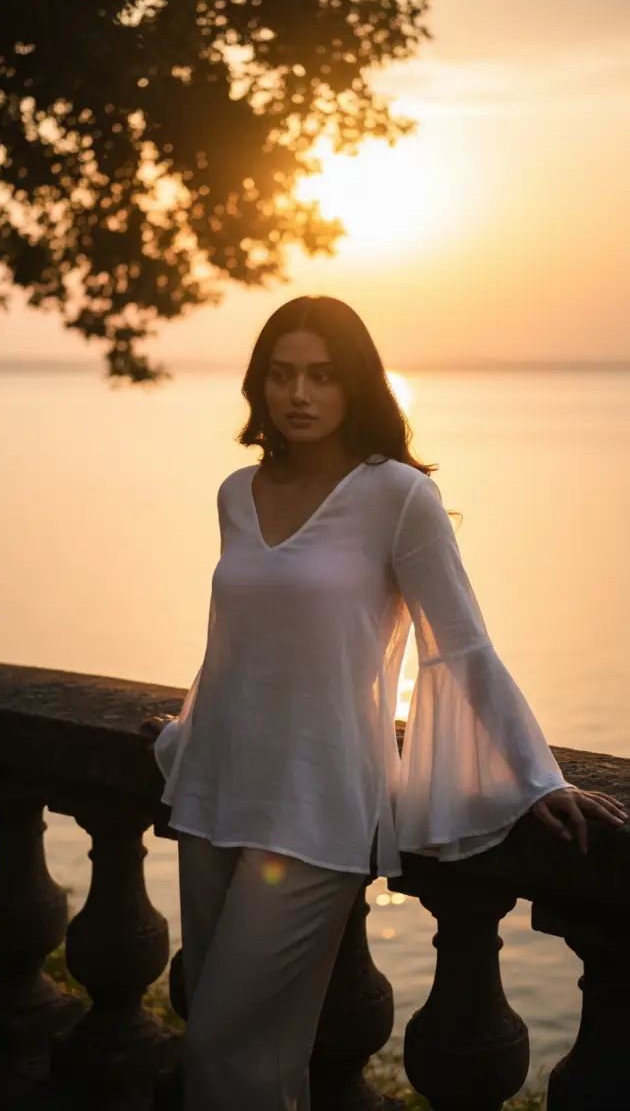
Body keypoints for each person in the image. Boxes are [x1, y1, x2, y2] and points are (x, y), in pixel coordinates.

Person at [141, 294, 627, 1111]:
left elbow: (464, 646)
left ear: (356, 385)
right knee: (254, 1057)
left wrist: (537, 777)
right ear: (258, 386)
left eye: (322, 376)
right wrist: (186, 732)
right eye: (281, 374)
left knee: (224, 1042)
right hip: (215, 790)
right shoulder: (236, 491)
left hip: (317, 809)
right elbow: (237, 643)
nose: (298, 394)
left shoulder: (397, 495)